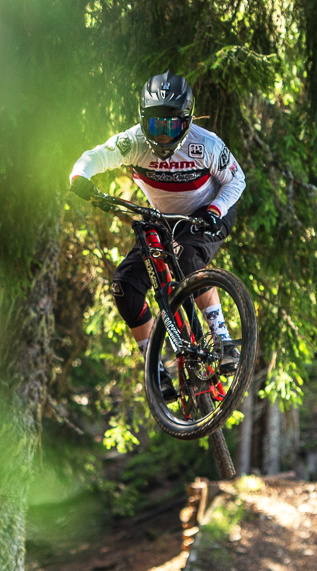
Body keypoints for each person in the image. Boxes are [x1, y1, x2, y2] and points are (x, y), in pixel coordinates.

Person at [69, 70, 246, 402]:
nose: (164, 137)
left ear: (187, 121)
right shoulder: (133, 141)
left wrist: (214, 211)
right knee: (125, 285)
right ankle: (155, 367)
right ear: (142, 119)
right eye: (156, 126)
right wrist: (80, 176)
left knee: (190, 257)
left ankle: (221, 338)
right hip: (162, 219)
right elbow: (97, 156)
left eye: (173, 127)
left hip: (211, 208)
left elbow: (237, 181)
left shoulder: (205, 144)